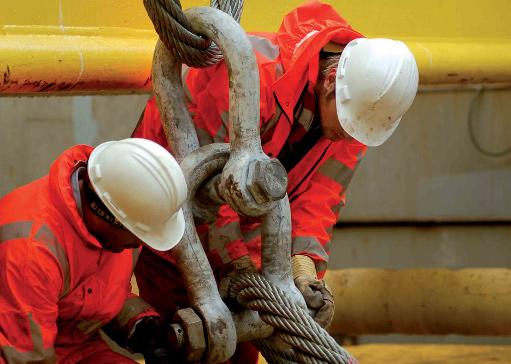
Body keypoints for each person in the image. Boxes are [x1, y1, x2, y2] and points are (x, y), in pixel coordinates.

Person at [133, 0, 419, 362]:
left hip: (244, 247)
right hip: (166, 222)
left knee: (240, 355)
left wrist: (303, 267)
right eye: (346, 127)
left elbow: (321, 197)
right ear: (330, 82)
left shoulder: (353, 116)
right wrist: (242, 270)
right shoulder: (253, 75)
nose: (348, 139)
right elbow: (205, 183)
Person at [0, 138, 188, 363]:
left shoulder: (121, 218)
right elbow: (27, 356)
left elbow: (91, 291)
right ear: (107, 216)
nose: (140, 244)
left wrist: (142, 326)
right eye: (138, 236)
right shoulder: (31, 251)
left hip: (74, 344)